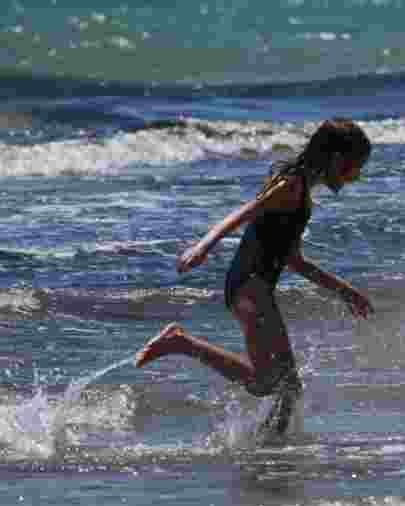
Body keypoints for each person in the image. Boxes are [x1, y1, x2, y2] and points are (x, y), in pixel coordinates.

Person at [134, 117, 374, 439]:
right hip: (249, 285)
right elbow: (246, 212)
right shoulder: (292, 185)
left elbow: (293, 261)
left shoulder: (301, 192)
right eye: (355, 167)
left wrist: (343, 290)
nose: (356, 177)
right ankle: (182, 344)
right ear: (336, 159)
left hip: (254, 286)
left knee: (282, 385)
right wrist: (202, 247)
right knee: (276, 385)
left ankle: (269, 445)